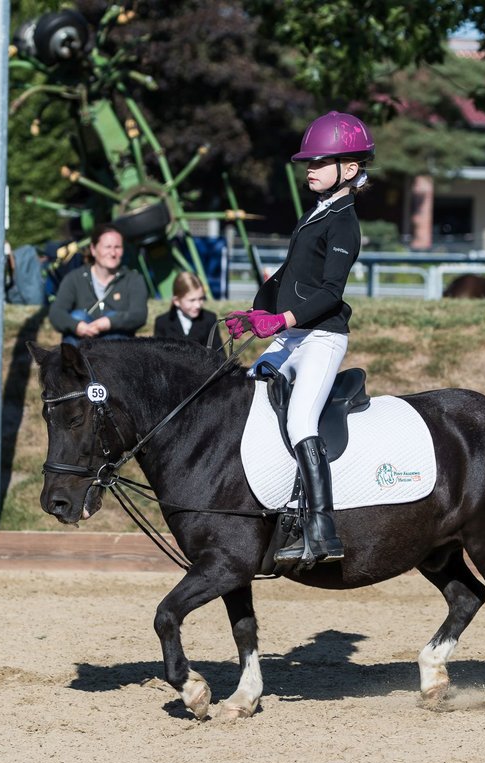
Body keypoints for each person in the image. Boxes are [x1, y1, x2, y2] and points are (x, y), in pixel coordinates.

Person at [224, 111, 373, 565]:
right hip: (292, 333)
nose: (308, 169)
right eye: (307, 162)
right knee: (243, 396)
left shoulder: (344, 222)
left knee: (301, 421)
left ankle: (321, 529)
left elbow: (329, 293)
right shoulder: (317, 212)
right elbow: (290, 275)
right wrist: (256, 313)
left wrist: (282, 319)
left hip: (321, 338)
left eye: (318, 161)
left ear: (348, 168)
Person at [48, 224, 148, 344]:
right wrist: (77, 326)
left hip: (116, 347)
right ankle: (72, 362)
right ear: (93, 249)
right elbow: (56, 313)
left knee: (114, 319)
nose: (113, 253)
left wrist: (109, 322)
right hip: (81, 343)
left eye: (117, 247)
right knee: (78, 316)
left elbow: (139, 314)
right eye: (107, 247)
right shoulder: (75, 278)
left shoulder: (133, 279)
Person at [153, 271, 222, 352]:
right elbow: (158, 356)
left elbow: (219, 355)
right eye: (192, 300)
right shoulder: (162, 322)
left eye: (201, 299)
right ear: (176, 301)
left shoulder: (209, 319)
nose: (198, 305)